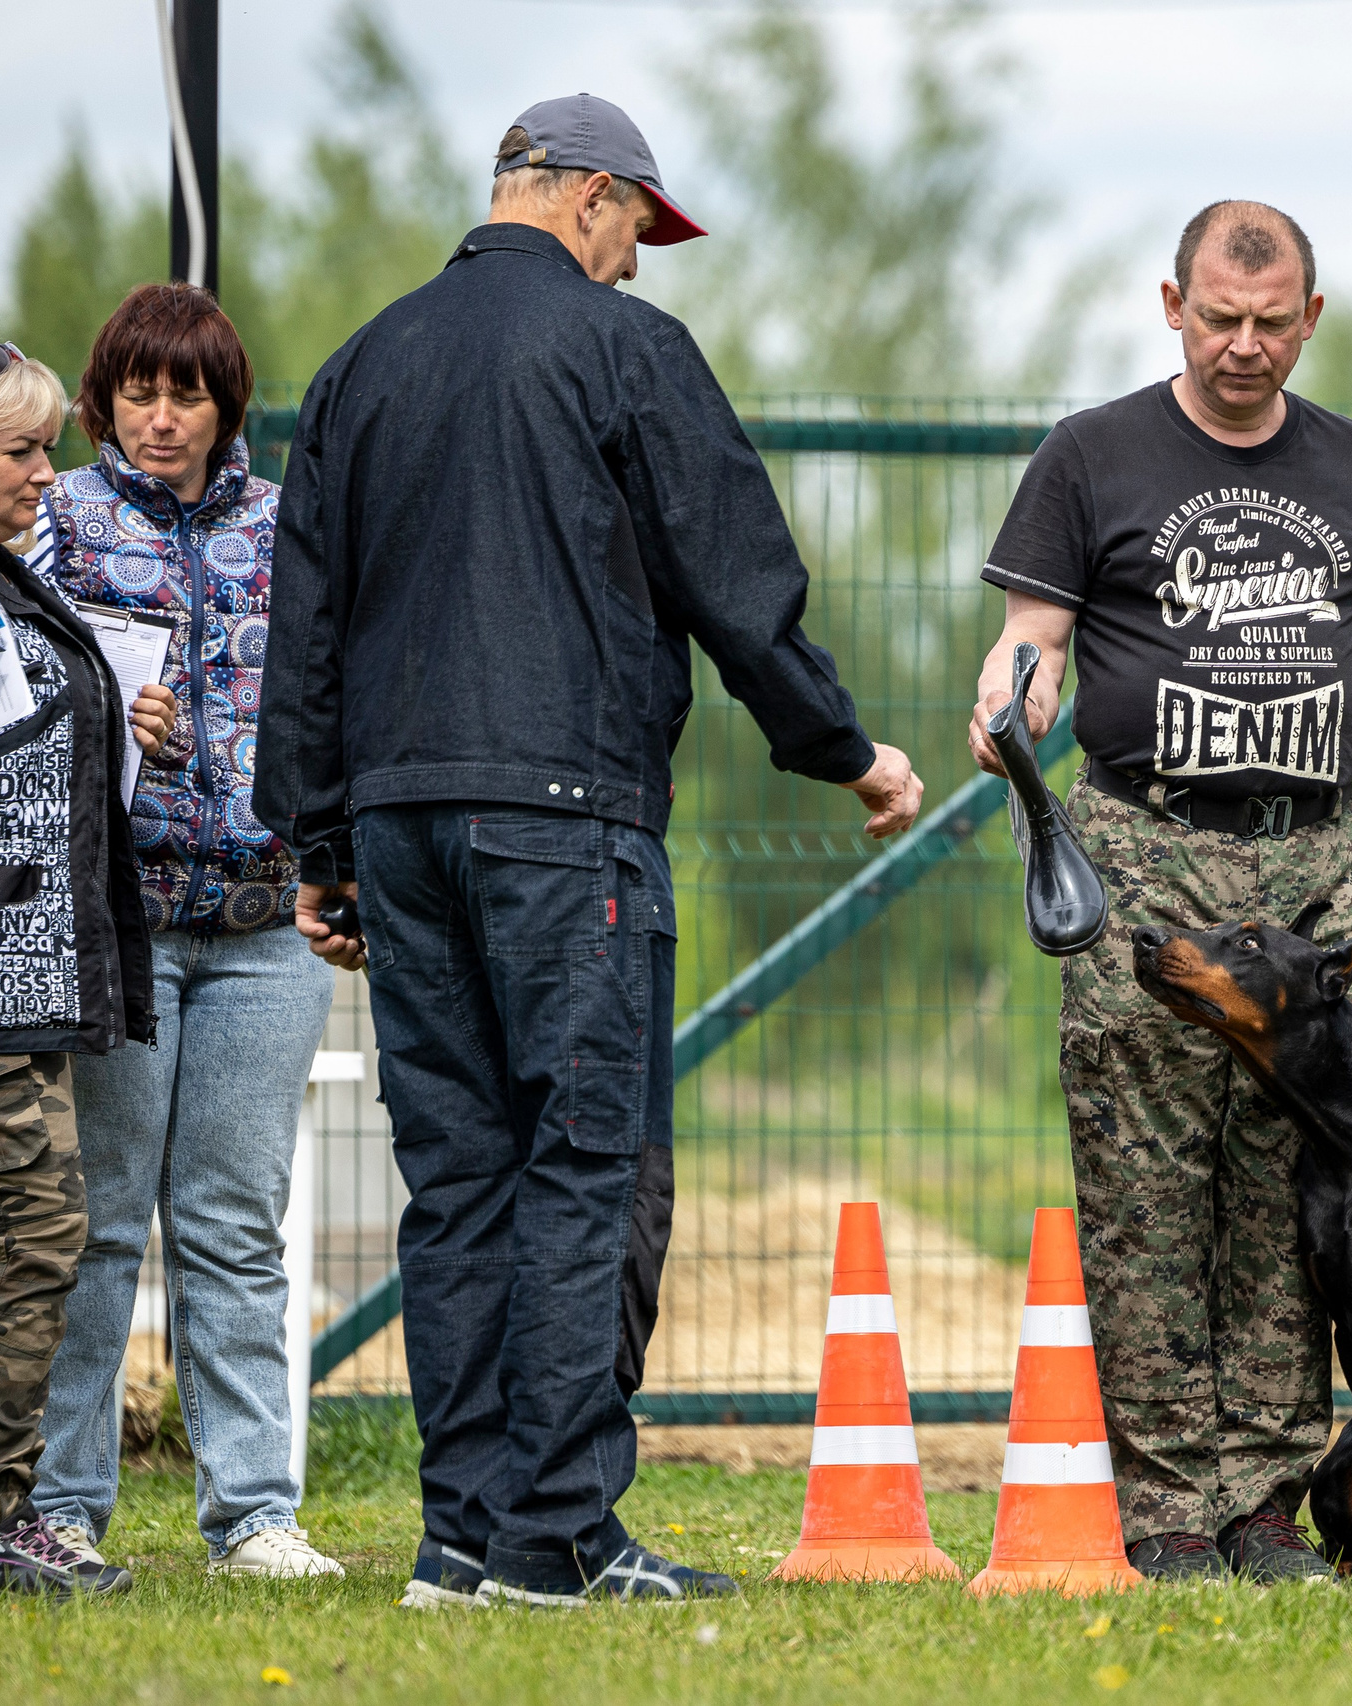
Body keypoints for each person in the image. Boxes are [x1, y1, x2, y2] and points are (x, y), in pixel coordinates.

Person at [255, 94, 925, 1609]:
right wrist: (845, 747)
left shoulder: (358, 366)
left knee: (454, 1175)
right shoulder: (627, 351)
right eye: (639, 232)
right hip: (567, 824)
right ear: (592, 201)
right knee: (581, 1163)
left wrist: (317, 836)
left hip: (403, 819)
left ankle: (461, 1537)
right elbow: (737, 574)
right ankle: (558, 1537)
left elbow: (305, 628)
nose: (637, 263)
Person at [966, 201, 1352, 1583]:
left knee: (1305, 1202)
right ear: (1169, 302)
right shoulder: (1091, 456)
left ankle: (1268, 1506)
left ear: (1313, 316)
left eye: (1271, 321)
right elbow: (1028, 644)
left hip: (1317, 876)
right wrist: (1013, 704)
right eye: (1219, 317)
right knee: (1149, 1198)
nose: (1245, 346)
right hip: (1149, 874)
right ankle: (1172, 1512)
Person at [27, 285, 342, 1581]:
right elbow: (11, 684)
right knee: (100, 1224)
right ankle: (60, 1504)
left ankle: (254, 1510)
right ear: (105, 401)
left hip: (268, 927)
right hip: (122, 923)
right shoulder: (58, 519)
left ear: (227, 407)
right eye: (140, 392)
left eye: (189, 393)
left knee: (232, 1220)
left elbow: (336, 689)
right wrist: (111, 717)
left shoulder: (290, 527)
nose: (163, 418)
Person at [0, 339, 178, 1597]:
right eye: (20, 451)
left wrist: (113, 708)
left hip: (13, 958)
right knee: (30, 1225)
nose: (49, 473)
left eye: (48, 446)